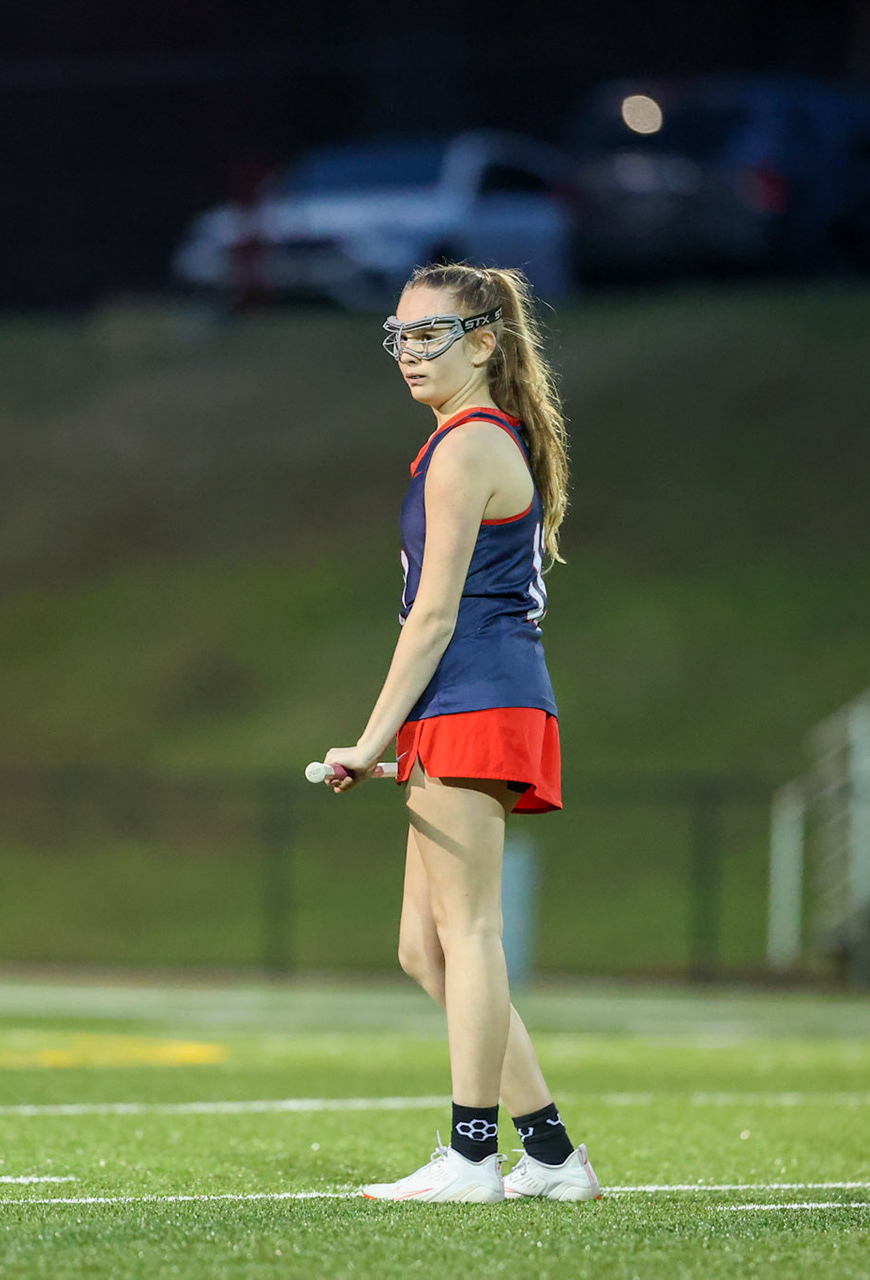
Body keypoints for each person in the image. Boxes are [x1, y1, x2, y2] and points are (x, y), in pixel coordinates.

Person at [321, 263, 600, 1203]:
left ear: (483, 342)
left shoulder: (470, 445)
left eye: (428, 335)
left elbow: (432, 617)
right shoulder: (458, 442)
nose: (408, 352)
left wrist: (369, 739)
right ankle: (554, 1157)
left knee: (470, 932)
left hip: (480, 696)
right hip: (467, 701)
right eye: (397, 335)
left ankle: (474, 1155)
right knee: (424, 948)